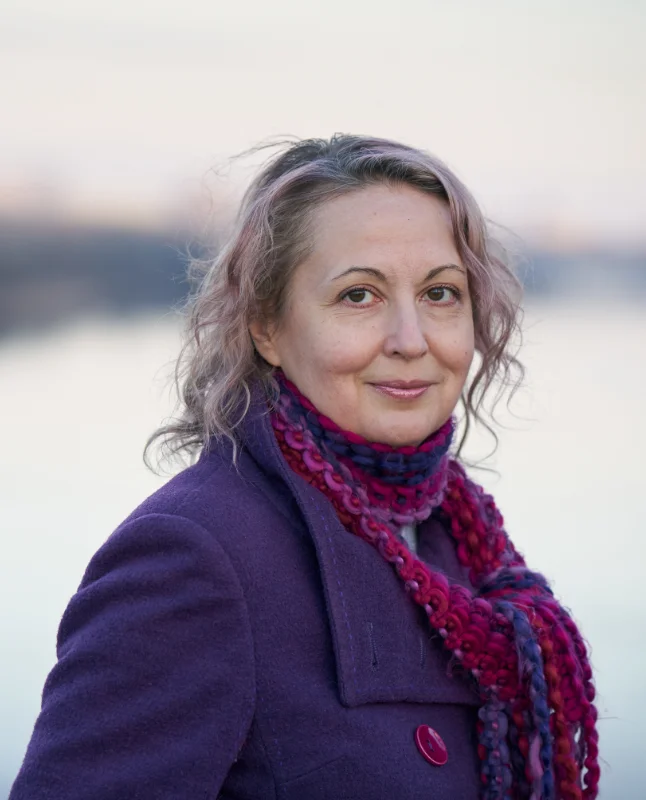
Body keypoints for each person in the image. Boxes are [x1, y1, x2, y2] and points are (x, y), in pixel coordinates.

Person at [9, 134, 600, 800]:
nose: (411, 340)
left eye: (440, 294)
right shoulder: (194, 556)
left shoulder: (453, 536)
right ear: (267, 326)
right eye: (358, 296)